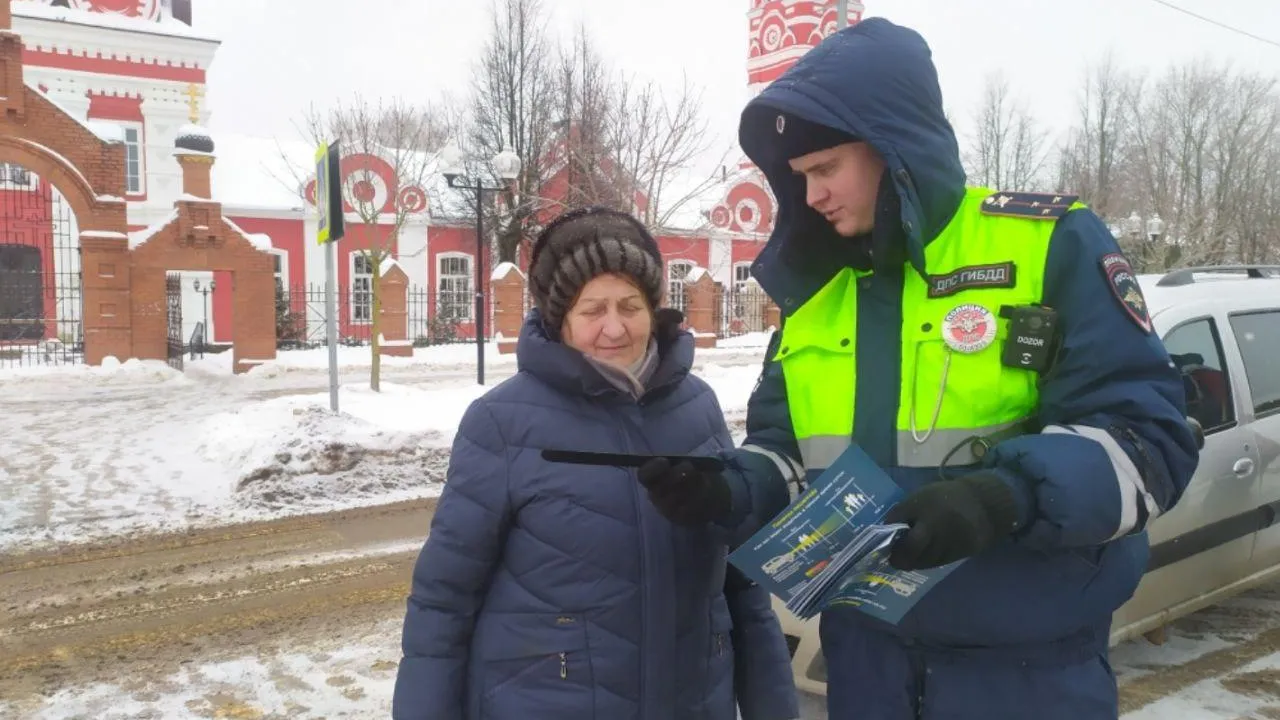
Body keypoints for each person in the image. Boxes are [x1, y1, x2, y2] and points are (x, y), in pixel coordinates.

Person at [634, 18, 1201, 720]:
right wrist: (726, 491)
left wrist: (1004, 499)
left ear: (891, 147)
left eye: (824, 169)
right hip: (867, 664)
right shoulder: (821, 293)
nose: (809, 196)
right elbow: (787, 457)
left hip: (1025, 674)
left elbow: (1150, 445)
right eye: (798, 177)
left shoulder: (1048, 243)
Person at [390, 206, 799, 720]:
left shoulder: (698, 407)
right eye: (592, 310)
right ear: (561, 320)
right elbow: (443, 603)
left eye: (631, 305)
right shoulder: (501, 423)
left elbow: (744, 588)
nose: (614, 328)